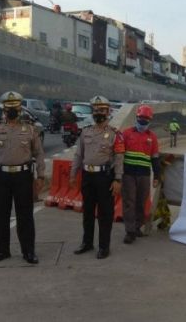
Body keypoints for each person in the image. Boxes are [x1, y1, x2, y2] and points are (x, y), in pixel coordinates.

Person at [0, 91, 46, 265]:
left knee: (25, 216)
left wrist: (41, 176)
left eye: (15, 107)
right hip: (1, 177)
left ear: (20, 108)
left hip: (23, 176)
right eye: (9, 108)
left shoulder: (30, 129)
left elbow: (38, 154)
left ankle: (28, 251)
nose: (12, 111)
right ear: (4, 109)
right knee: (2, 215)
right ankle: (2, 251)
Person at [70, 95, 124, 259]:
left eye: (102, 110)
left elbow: (119, 158)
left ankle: (103, 246)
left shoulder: (115, 134)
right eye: (96, 110)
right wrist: (73, 174)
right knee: (87, 211)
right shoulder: (85, 132)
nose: (99, 113)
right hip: (88, 176)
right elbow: (79, 154)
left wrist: (118, 179)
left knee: (105, 213)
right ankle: (87, 243)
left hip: (104, 177)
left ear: (108, 112)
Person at [121, 105, 161, 244]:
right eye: (141, 119)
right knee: (129, 202)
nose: (143, 122)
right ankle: (129, 231)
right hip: (128, 174)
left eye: (146, 119)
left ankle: (137, 227)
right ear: (136, 118)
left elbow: (155, 158)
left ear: (150, 121)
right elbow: (119, 155)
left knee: (141, 202)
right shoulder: (126, 134)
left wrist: (157, 176)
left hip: (144, 175)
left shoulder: (153, 138)